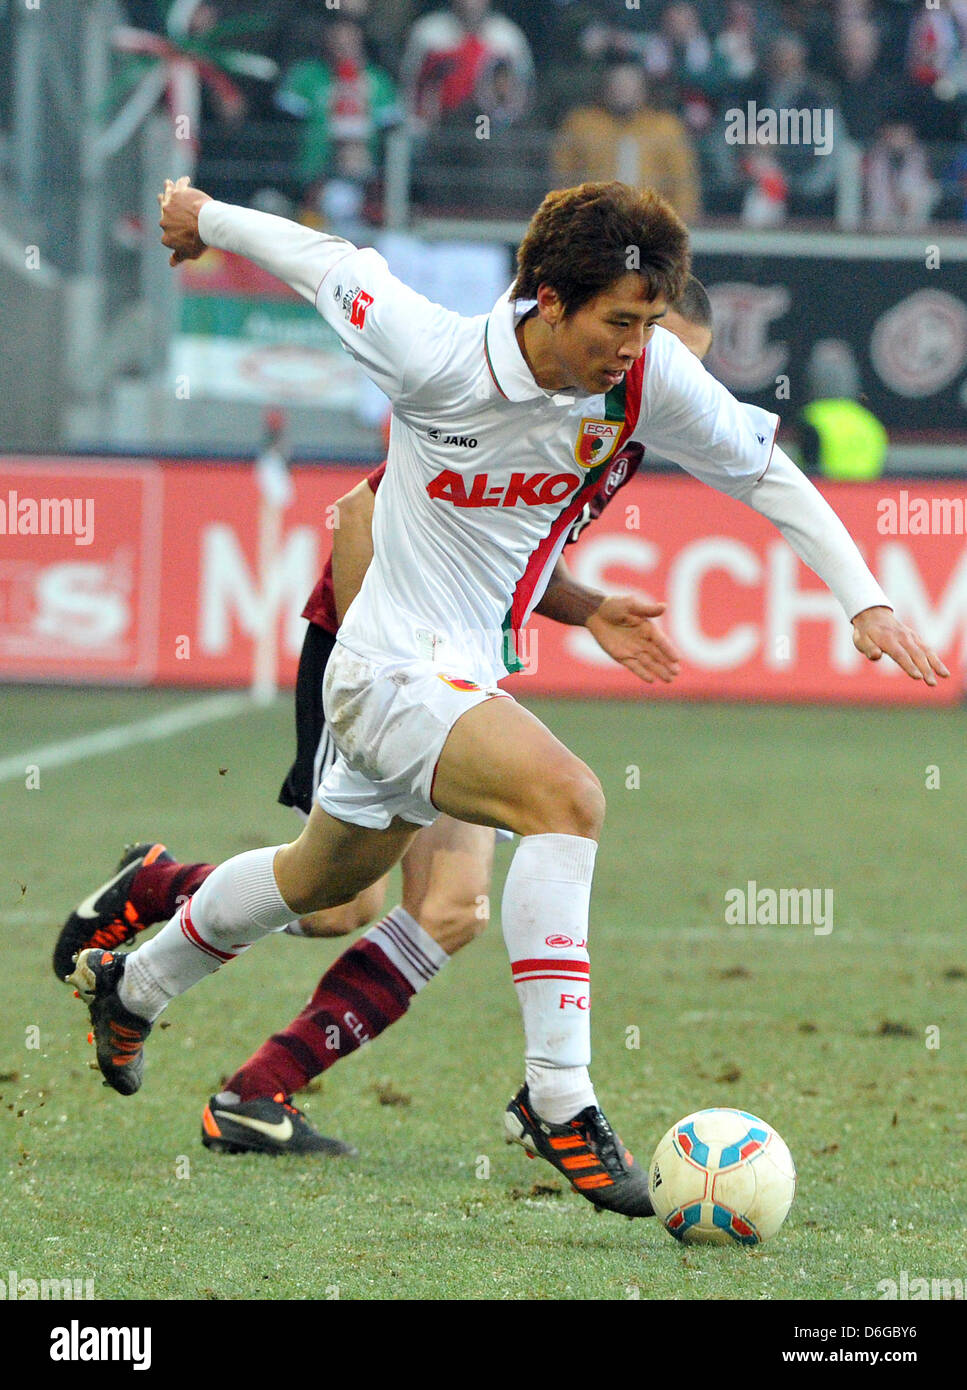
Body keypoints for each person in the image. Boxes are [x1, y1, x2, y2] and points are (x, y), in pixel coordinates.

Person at [68, 176, 946, 1222]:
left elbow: (766, 474)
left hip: (460, 673)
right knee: (568, 798)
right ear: (546, 298)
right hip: (385, 665)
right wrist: (199, 215)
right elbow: (330, 265)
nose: (635, 344)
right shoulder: (434, 351)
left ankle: (138, 985)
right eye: (619, 321)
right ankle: (559, 1095)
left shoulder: (647, 376)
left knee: (320, 882)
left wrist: (865, 600)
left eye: (650, 321)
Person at [56, 282, 714, 1157]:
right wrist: (390, 667)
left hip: (455, 678)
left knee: (451, 906)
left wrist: (584, 606)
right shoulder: (510, 402)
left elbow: (507, 553)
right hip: (376, 664)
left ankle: (256, 1092)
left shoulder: (609, 431)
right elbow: (360, 511)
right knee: (341, 904)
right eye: (658, 352)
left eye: (689, 374)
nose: (663, 385)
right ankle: (156, 890)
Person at [552, 64, 701, 221]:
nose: (622, 92)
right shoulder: (580, 124)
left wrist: (682, 228)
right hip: (592, 225)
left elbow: (683, 185)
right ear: (605, 89)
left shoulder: (666, 127)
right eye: (617, 86)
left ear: (643, 90)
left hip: (651, 227)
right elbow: (561, 178)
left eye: (630, 86)